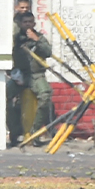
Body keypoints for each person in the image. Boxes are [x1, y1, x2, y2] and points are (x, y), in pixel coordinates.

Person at [13, 12, 56, 140]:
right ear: (20, 24)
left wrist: (36, 40)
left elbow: (48, 52)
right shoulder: (15, 39)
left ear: (34, 23)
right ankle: (15, 134)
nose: (27, 24)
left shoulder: (39, 37)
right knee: (6, 96)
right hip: (20, 75)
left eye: (30, 22)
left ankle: (35, 132)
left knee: (45, 95)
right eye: (25, 22)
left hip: (36, 75)